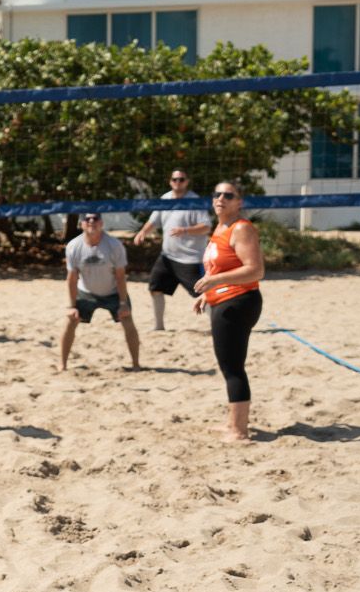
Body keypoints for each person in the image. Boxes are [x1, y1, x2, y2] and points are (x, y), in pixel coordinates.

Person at [194, 179, 265, 442]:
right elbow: (220, 268)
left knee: (233, 366)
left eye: (228, 195)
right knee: (229, 365)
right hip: (223, 299)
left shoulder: (241, 228)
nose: (221, 198)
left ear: (239, 202)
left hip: (240, 301)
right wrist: (207, 293)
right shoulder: (220, 228)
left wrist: (214, 282)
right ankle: (233, 423)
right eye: (217, 194)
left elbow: (255, 270)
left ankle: (239, 431)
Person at [129, 163, 212, 329]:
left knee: (204, 293)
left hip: (189, 259)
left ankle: (216, 325)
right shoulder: (165, 199)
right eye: (175, 179)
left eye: (181, 179)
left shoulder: (194, 202)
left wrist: (185, 230)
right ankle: (159, 327)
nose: (178, 182)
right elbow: (154, 220)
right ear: (170, 182)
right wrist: (142, 232)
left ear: (187, 182)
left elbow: (206, 227)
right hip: (167, 257)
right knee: (155, 288)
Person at [59, 212, 142, 373]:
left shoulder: (114, 245)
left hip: (112, 292)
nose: (91, 222)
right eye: (87, 219)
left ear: (101, 223)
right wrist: (71, 305)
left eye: (95, 219)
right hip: (86, 292)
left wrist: (123, 303)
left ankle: (136, 364)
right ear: (81, 224)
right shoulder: (74, 246)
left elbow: (120, 277)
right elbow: (72, 278)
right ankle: (62, 365)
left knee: (128, 320)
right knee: (70, 321)